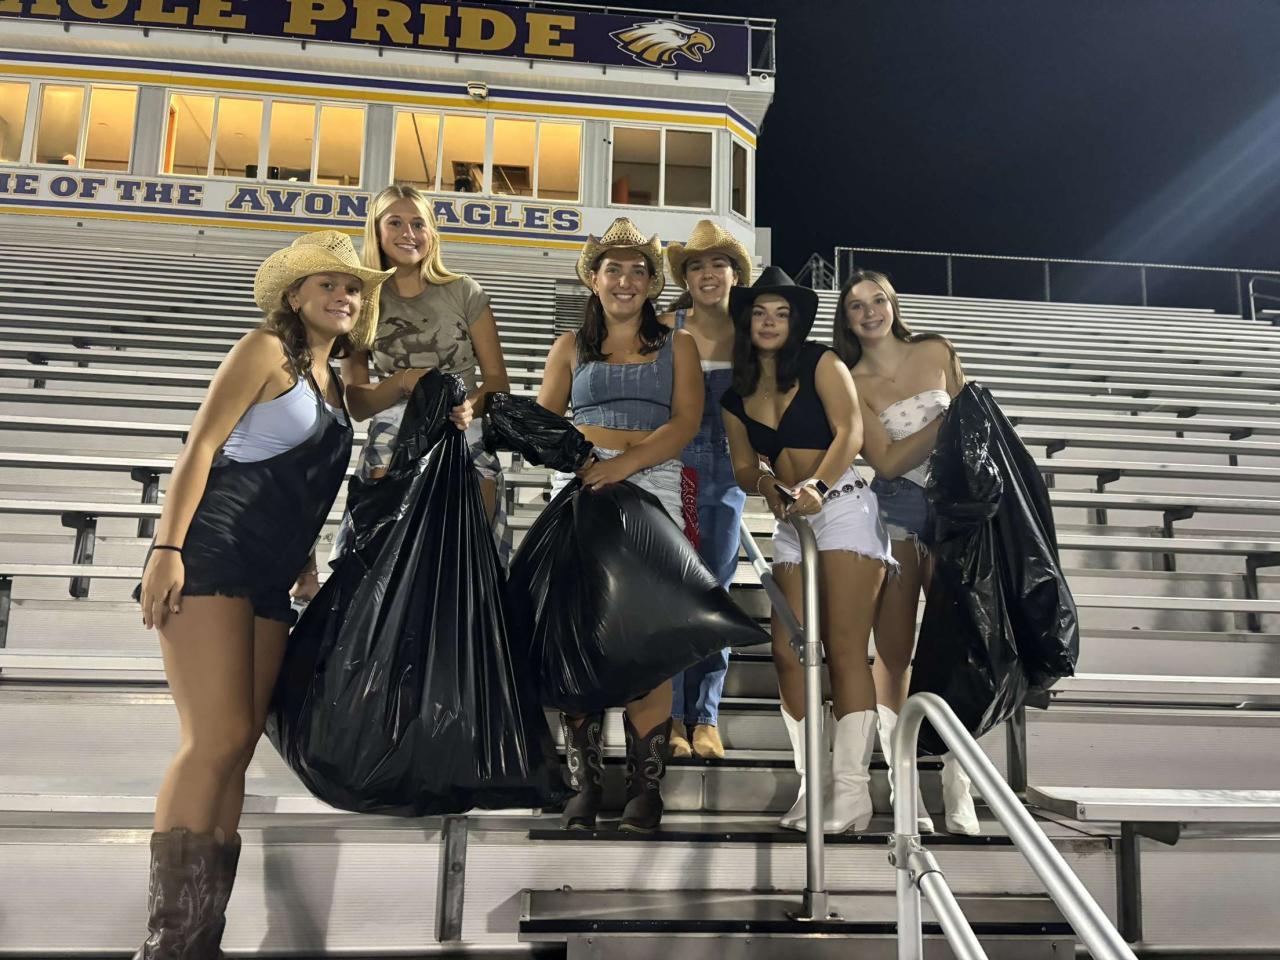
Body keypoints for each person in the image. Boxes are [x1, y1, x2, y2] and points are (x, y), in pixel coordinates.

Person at [130, 231, 474, 956]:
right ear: (295, 295)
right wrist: (166, 549)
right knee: (214, 740)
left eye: (352, 288)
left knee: (237, 745)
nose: (344, 296)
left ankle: (198, 938)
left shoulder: (334, 384)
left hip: (271, 574)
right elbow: (201, 446)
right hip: (213, 555)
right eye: (329, 285)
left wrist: (431, 392)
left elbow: (316, 468)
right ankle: (167, 944)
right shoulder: (263, 351)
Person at [536, 217, 703, 832]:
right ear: (595, 279)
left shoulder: (680, 345)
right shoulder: (568, 346)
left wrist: (624, 464)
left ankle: (644, 789)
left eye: (638, 271)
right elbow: (544, 424)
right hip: (582, 483)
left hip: (654, 481)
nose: (625, 280)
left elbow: (685, 423)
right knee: (579, 632)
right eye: (614, 269)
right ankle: (585, 782)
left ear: (652, 283)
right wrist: (584, 459)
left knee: (648, 637)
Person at [720, 266, 897, 835]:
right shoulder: (735, 393)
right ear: (747, 322)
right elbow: (743, 465)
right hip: (791, 520)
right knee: (788, 652)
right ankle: (812, 784)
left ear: (796, 322)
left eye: (782, 313)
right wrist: (766, 483)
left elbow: (850, 432)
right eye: (760, 313)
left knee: (844, 649)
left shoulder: (822, 361)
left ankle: (851, 793)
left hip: (841, 504)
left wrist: (818, 485)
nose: (770, 322)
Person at [298, 184, 510, 594]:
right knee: (385, 450)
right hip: (397, 418)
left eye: (418, 223)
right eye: (394, 223)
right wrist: (402, 382)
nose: (408, 233)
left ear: (432, 232)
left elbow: (498, 381)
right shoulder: (360, 299)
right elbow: (357, 401)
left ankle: (471, 589)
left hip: (461, 417)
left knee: (478, 481)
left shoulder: (464, 291)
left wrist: (468, 406)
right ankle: (378, 589)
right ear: (376, 231)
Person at [833, 268, 981, 836]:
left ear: (893, 304)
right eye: (856, 306)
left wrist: (955, 426)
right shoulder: (849, 379)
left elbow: (977, 431)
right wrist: (946, 420)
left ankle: (959, 782)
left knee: (957, 644)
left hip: (954, 512)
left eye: (878, 300)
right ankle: (905, 786)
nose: (870, 312)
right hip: (894, 511)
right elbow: (888, 461)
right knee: (893, 653)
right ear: (846, 319)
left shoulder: (937, 349)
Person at [660, 220, 752, 760]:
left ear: (736, 273)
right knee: (671, 590)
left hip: (725, 473)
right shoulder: (665, 328)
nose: (708, 273)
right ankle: (671, 713)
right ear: (686, 278)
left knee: (714, 592)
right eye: (697, 265)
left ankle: (706, 715)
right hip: (671, 467)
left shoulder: (752, 335)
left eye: (719, 263)